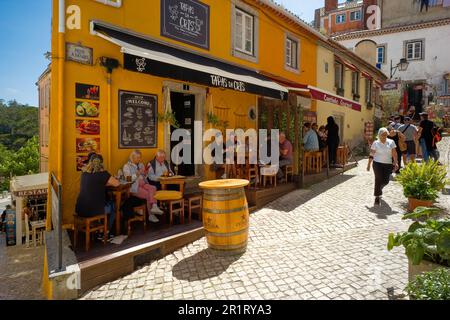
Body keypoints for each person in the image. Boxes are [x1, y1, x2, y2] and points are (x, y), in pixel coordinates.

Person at [75, 154, 120, 237]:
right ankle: (105, 231)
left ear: (90, 163)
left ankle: (99, 229)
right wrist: (105, 183)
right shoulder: (103, 174)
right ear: (101, 164)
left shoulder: (84, 174)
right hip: (94, 210)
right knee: (114, 207)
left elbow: (94, 184)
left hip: (80, 209)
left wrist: (102, 184)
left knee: (101, 205)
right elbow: (117, 183)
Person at [123, 150, 162, 223]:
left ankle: (154, 206)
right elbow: (128, 179)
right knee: (148, 195)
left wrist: (145, 173)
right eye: (137, 157)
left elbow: (144, 176)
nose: (139, 159)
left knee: (153, 188)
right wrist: (137, 174)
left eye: (140, 157)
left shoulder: (141, 165)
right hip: (134, 186)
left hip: (143, 184)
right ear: (132, 157)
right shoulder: (127, 166)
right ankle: (151, 215)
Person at [367, 128, 399, 206]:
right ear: (379, 135)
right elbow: (371, 154)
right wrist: (368, 165)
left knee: (386, 181)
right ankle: (377, 197)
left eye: (385, 134)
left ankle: (379, 188)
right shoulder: (375, 143)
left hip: (388, 164)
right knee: (378, 179)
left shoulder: (391, 142)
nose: (384, 136)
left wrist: (396, 162)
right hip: (377, 163)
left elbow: (394, 153)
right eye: (382, 135)